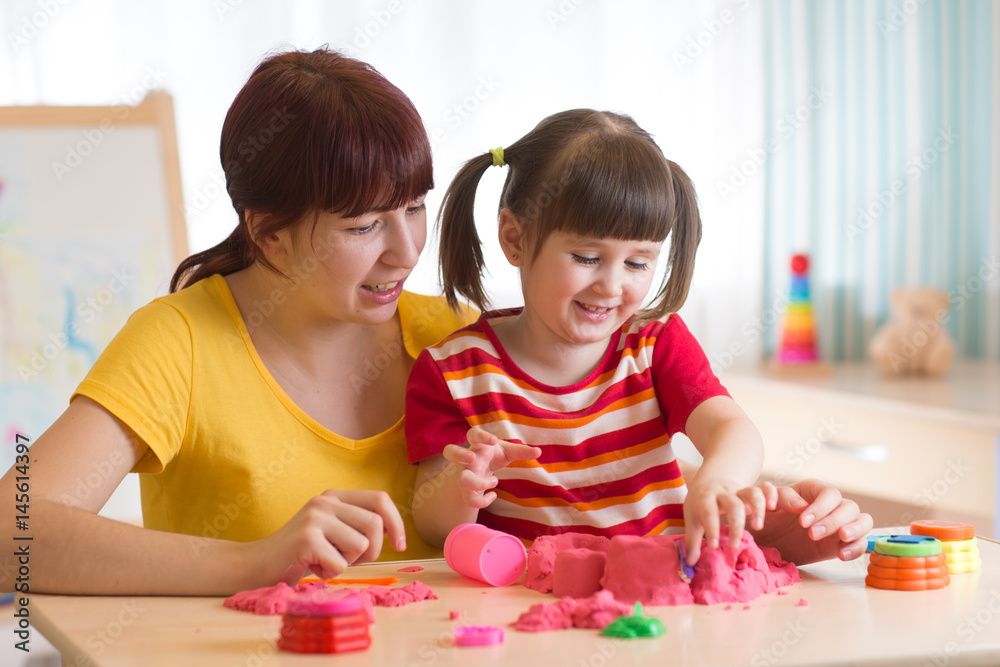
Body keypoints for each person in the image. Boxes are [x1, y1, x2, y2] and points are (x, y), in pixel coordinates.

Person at [0, 47, 472, 596]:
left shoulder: (455, 337)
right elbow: (12, 533)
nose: (407, 252)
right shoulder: (181, 342)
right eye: (363, 226)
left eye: (414, 208)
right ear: (270, 232)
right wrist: (257, 562)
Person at [406, 109, 872, 565]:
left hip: (658, 600)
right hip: (530, 607)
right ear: (515, 239)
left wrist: (717, 484)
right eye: (587, 257)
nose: (611, 287)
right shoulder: (453, 371)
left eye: (637, 263)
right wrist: (466, 482)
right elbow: (432, 524)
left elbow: (733, 429)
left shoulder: (653, 345)